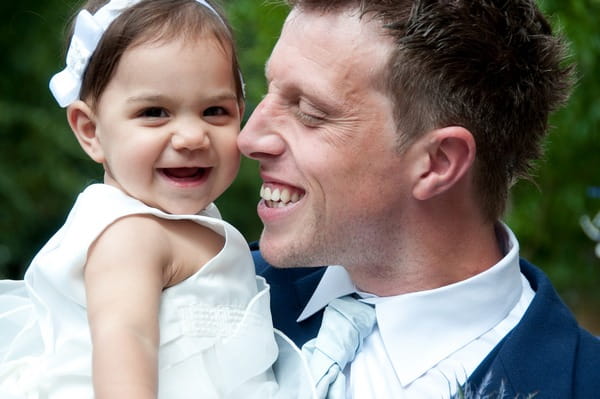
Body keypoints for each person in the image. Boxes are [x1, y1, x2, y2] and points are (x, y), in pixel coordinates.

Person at [238, 0, 600, 398]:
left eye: (308, 111)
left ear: (438, 162)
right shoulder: (210, 290)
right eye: (268, 94)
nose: (248, 138)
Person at [0, 1, 314, 398]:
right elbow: (126, 341)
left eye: (214, 111)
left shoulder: (173, 224)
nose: (190, 137)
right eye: (155, 112)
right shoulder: (130, 234)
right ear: (91, 131)